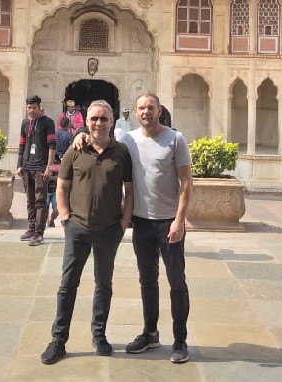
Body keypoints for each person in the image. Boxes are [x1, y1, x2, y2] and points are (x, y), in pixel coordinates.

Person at [73, 93, 192, 363]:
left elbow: (186, 182)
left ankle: (180, 340)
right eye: (141, 108)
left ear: (159, 110)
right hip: (142, 221)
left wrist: (179, 219)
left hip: (168, 222)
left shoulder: (175, 139)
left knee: (177, 282)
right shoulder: (128, 140)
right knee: (147, 280)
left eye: (150, 107)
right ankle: (150, 333)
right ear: (135, 113)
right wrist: (81, 132)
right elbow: (100, 136)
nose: (146, 112)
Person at [41, 100, 134, 365]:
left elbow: (130, 190)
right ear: (87, 121)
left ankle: (99, 334)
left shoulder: (121, 152)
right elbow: (61, 186)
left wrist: (124, 222)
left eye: (104, 119)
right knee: (68, 284)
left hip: (109, 229)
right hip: (78, 228)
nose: (98, 123)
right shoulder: (75, 149)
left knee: (103, 285)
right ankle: (58, 340)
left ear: (112, 122)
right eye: (94, 118)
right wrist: (65, 217)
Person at [17, 95, 56, 246]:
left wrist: (49, 167)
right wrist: (19, 164)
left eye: (34, 107)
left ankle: (39, 233)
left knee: (41, 201)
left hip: (41, 168)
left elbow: (52, 146)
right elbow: (21, 145)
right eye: (29, 107)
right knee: (30, 200)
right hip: (27, 167)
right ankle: (31, 229)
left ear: (40, 107)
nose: (31, 110)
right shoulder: (25, 123)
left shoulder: (48, 123)